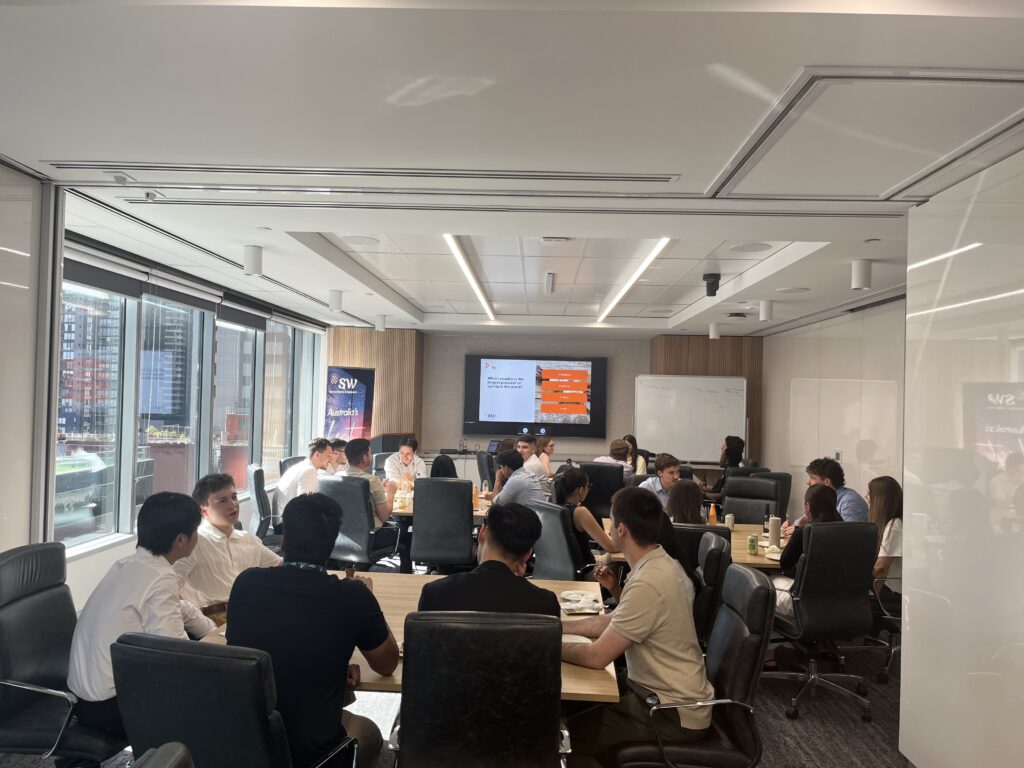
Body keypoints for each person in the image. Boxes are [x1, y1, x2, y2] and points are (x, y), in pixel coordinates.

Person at [228, 493, 400, 768]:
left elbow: (262, 647)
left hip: (244, 742)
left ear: (283, 540)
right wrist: (369, 601)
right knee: (370, 734)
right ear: (333, 544)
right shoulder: (352, 596)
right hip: (314, 753)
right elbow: (387, 664)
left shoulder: (246, 584)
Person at [562, 487, 713, 763]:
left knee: (564, 740)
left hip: (669, 711)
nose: (608, 528)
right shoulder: (658, 564)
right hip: (664, 694)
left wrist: (546, 642)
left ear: (621, 529)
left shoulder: (649, 581)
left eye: (610, 522)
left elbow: (596, 657)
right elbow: (611, 621)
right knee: (572, 709)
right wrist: (559, 627)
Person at [67, 492, 216, 742]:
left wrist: (210, 630)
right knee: (215, 691)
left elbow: (178, 607)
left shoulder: (127, 565)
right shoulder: (160, 577)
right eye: (196, 531)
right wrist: (217, 648)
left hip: (81, 700)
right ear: (181, 540)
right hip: (111, 709)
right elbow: (176, 653)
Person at [173, 473, 282, 624]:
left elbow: (281, 566)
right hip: (210, 620)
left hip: (250, 614)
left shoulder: (248, 540)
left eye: (234, 497)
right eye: (223, 501)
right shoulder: (193, 542)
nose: (233, 504)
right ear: (204, 511)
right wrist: (199, 624)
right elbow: (168, 592)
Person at [418, 502, 560, 616]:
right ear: (527, 555)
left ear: (482, 533)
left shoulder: (434, 595)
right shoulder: (546, 605)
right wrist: (518, 584)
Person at [773, 484, 842, 618]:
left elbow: (785, 563)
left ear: (808, 506)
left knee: (762, 582)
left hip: (804, 603)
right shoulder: (851, 531)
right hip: (842, 603)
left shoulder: (804, 532)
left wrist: (797, 531)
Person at [343, 438, 405, 571]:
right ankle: (405, 577)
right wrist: (390, 494)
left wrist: (380, 490)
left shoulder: (337, 477)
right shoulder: (371, 481)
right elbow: (384, 516)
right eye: (370, 453)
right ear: (365, 457)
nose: (371, 456)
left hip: (342, 536)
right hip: (371, 536)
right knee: (406, 538)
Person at [552, 467, 620, 566]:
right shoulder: (580, 512)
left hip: (563, 567)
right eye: (587, 486)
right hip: (587, 570)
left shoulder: (554, 506)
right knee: (617, 560)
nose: (588, 490)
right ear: (580, 490)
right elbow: (611, 547)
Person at [868, 475, 903, 614]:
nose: (866, 497)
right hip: (886, 590)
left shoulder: (894, 526)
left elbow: (881, 568)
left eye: (869, 494)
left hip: (893, 594)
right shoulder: (891, 524)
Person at [802, 456, 868, 523]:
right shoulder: (822, 498)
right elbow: (804, 520)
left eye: (812, 478)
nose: (808, 482)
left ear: (827, 481)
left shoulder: (849, 502)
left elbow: (848, 529)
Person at [274, 437, 333, 511]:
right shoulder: (308, 471)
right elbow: (304, 507)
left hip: (287, 514)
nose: (331, 460)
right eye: (329, 456)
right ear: (317, 455)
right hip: (290, 517)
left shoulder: (303, 466)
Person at [703, 435, 745, 502]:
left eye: (724, 446)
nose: (721, 448)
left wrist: (703, 493)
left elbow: (720, 496)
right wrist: (705, 489)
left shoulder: (731, 474)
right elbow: (718, 490)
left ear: (727, 460)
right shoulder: (728, 470)